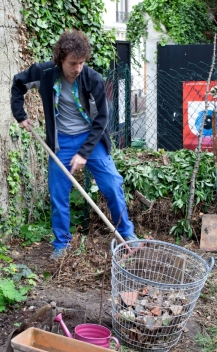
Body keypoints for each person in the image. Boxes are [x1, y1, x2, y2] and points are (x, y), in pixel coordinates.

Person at [11, 30, 139, 259]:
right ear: (60, 59)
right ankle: (62, 244)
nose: (78, 68)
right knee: (59, 194)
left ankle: (127, 233)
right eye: (73, 63)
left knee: (112, 184)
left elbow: (101, 119)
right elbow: (18, 83)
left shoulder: (92, 79)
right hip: (60, 143)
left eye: (81, 62)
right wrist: (20, 115)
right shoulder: (45, 73)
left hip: (91, 139)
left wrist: (84, 153)